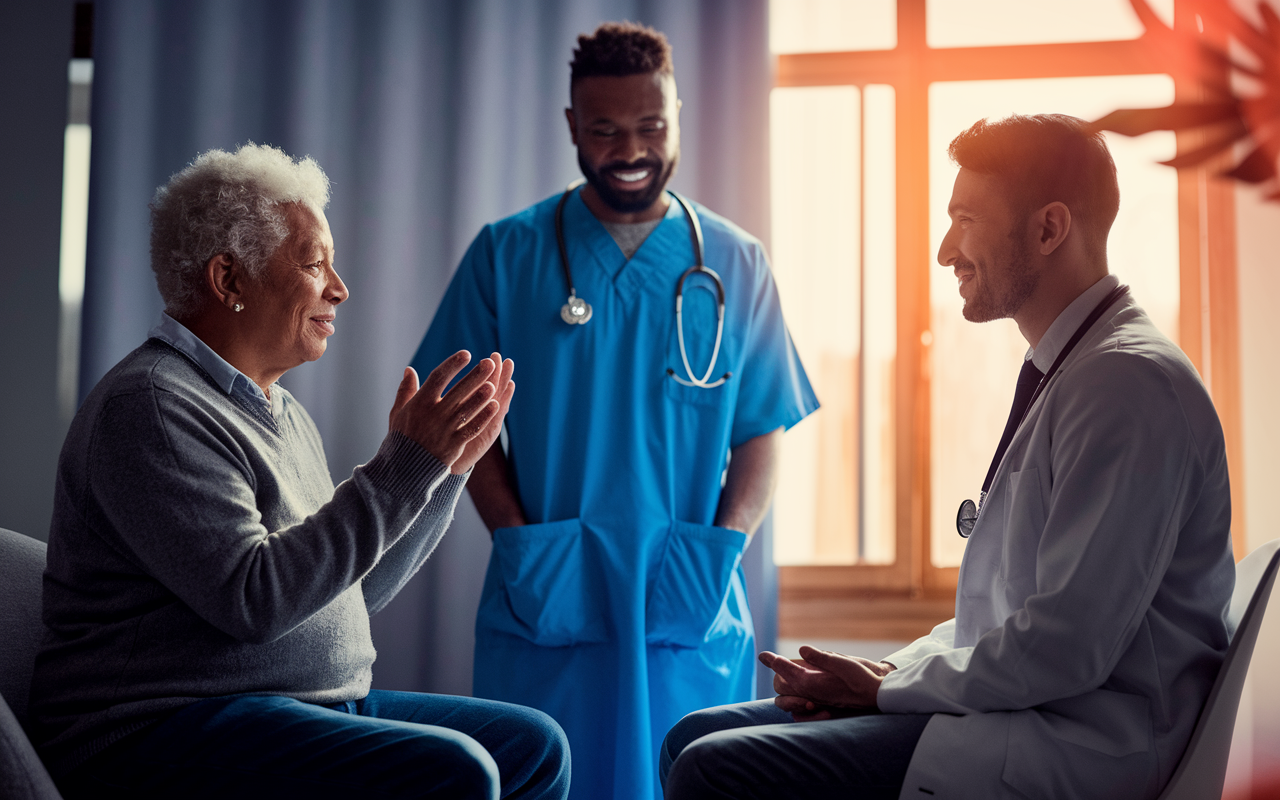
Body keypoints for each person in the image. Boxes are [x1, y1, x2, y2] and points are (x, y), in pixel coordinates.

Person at [661, 114, 1235, 800]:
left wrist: (890, 689)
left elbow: (1065, 647)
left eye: (966, 220)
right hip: (1025, 710)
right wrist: (882, 675)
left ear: (1049, 229)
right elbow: (1000, 621)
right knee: (687, 736)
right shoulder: (1074, 369)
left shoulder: (1127, 385)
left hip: (1081, 740)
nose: (944, 250)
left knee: (709, 767)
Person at [30, 143, 570, 800]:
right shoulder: (152, 408)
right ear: (228, 280)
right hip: (157, 728)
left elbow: (344, 595)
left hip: (285, 706)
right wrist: (402, 467)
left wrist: (444, 470)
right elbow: (257, 602)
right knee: (456, 771)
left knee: (533, 746)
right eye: (315, 265)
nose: (339, 289)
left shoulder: (278, 409)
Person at [409, 21, 818, 800]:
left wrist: (720, 550)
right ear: (570, 126)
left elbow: (764, 426)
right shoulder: (507, 253)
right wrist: (519, 543)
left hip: (687, 590)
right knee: (549, 777)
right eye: (604, 130)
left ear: (679, 116)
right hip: (553, 588)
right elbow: (456, 422)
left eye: (651, 127)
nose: (630, 149)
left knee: (693, 777)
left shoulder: (736, 260)